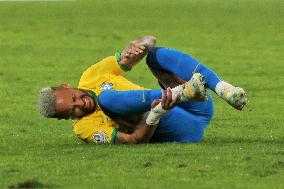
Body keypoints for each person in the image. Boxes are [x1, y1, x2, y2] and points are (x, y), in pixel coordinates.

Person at [37, 36, 247, 144]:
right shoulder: (85, 128)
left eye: (74, 98)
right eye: (73, 110)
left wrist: (140, 43)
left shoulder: (91, 76)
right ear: (66, 119)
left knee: (156, 55)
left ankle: (223, 89)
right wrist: (155, 113)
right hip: (183, 129)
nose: (81, 104)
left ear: (67, 86)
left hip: (196, 105)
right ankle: (183, 92)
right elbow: (132, 141)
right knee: (107, 100)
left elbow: (148, 42)